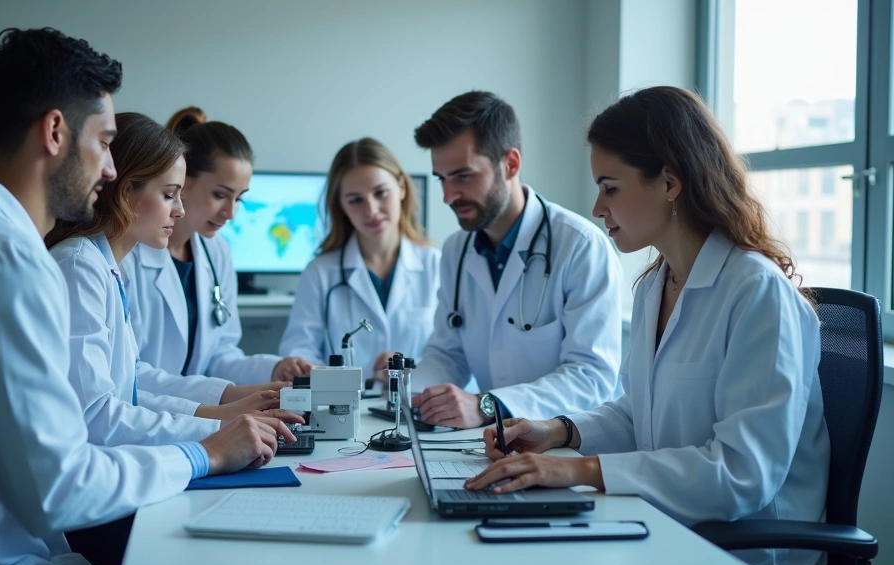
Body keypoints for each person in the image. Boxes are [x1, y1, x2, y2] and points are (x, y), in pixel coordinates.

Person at [0, 28, 293, 565]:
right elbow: (59, 486)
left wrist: (219, 415)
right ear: (54, 132)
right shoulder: (2, 260)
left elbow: (121, 390)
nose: (112, 169)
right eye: (103, 141)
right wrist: (207, 451)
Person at [465, 86, 830, 565]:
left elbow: (743, 474)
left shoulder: (756, 293)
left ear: (670, 182)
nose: (598, 208)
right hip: (664, 528)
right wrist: (559, 431)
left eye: (610, 187)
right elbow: (641, 413)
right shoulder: (655, 286)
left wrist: (579, 469)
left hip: (745, 554)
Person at [45, 112, 300, 448]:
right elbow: (97, 416)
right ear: (124, 190)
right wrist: (217, 431)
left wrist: (223, 414)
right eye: (169, 194)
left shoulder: (103, 265)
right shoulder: (81, 266)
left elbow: (130, 390)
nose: (178, 210)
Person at [409, 91, 623, 429]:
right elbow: (448, 354)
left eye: (463, 176)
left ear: (510, 163)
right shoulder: (456, 249)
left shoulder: (581, 246)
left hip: (568, 445)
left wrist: (487, 405)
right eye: (442, 179)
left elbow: (591, 377)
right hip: (495, 441)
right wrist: (410, 395)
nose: (448, 196)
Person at [120, 108, 312, 384]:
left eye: (239, 199)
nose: (230, 213)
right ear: (182, 182)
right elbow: (131, 373)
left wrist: (274, 369)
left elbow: (219, 356)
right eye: (220, 195)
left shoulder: (217, 252)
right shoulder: (130, 253)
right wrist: (220, 399)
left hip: (195, 414)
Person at [279, 137, 441, 381]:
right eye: (355, 200)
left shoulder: (434, 265)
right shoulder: (320, 272)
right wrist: (306, 368)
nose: (371, 210)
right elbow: (300, 350)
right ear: (341, 205)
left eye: (381, 193)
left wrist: (407, 369)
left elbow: (451, 355)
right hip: (346, 411)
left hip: (418, 405)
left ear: (402, 188)